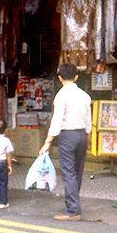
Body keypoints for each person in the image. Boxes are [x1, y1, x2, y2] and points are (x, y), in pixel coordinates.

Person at [38, 63, 92, 222]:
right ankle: (74, 204)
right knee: (77, 171)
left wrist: (47, 142)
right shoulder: (84, 95)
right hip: (82, 134)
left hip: (67, 136)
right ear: (76, 77)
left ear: (59, 77)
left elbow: (57, 121)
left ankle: (73, 209)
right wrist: (87, 137)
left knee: (69, 172)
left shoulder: (61, 96)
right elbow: (88, 120)